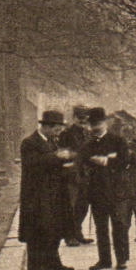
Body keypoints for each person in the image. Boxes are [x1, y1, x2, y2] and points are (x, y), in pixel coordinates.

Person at [18, 110, 79, 270]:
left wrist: (65, 165)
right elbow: (34, 164)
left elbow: (54, 163)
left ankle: (53, 261)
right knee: (37, 229)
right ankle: (35, 266)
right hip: (37, 194)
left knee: (55, 227)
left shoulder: (52, 142)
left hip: (54, 192)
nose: (57, 132)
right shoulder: (29, 143)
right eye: (55, 129)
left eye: (59, 129)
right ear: (45, 126)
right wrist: (57, 157)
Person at [80, 107, 132, 270]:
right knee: (101, 228)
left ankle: (121, 259)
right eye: (92, 124)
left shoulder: (118, 141)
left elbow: (125, 161)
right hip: (97, 191)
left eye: (98, 123)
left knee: (119, 226)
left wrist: (106, 162)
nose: (95, 127)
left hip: (117, 190)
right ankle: (104, 260)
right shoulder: (88, 144)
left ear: (106, 122)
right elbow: (82, 163)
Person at [57, 103, 92, 246]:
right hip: (71, 174)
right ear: (74, 117)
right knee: (71, 205)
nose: (82, 120)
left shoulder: (88, 134)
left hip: (85, 173)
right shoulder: (66, 134)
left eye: (85, 118)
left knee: (83, 205)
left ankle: (78, 232)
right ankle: (69, 235)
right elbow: (62, 154)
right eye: (79, 117)